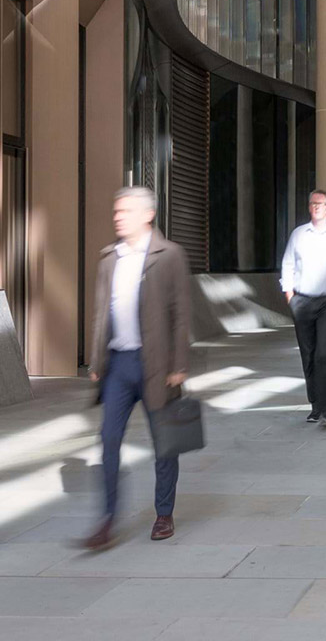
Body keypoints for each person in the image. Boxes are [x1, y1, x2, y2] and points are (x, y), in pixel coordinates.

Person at [80, 186, 190, 550]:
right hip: (119, 366)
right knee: (108, 439)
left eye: (124, 211)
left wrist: (179, 364)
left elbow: (180, 314)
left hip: (157, 364)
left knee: (164, 442)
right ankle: (108, 520)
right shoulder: (108, 257)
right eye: (116, 211)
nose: (117, 217)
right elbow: (101, 314)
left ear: (147, 215)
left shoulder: (169, 255)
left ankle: (163, 512)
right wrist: (97, 360)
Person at [280, 189, 326, 426]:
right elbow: (288, 263)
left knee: (323, 353)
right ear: (309, 207)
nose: (316, 207)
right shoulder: (299, 235)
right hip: (302, 302)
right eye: (313, 204)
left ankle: (325, 408)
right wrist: (289, 295)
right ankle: (314, 406)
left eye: (320, 204)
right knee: (308, 354)